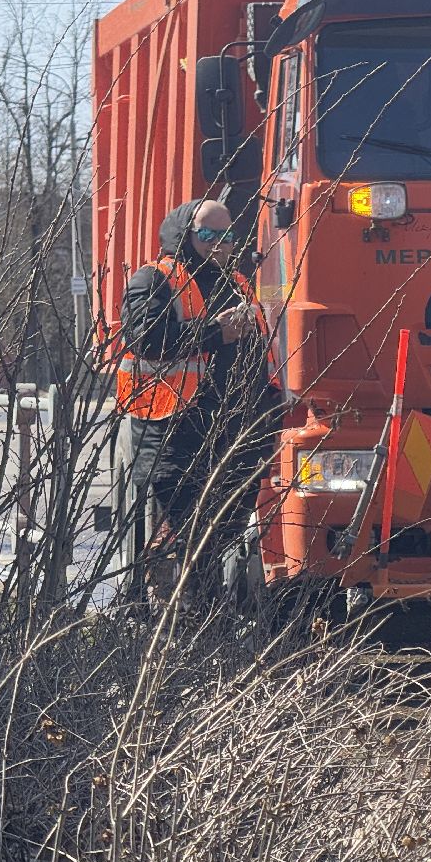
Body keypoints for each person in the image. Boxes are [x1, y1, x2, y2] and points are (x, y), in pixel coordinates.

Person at [117, 199, 280, 602]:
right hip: (174, 434)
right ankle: (172, 613)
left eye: (227, 236)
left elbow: (260, 354)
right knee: (185, 531)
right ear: (185, 233)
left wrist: (270, 412)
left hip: (233, 433)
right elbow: (145, 340)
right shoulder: (153, 280)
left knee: (218, 531)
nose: (219, 245)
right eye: (208, 235)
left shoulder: (239, 284)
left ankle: (203, 619)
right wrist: (212, 333)